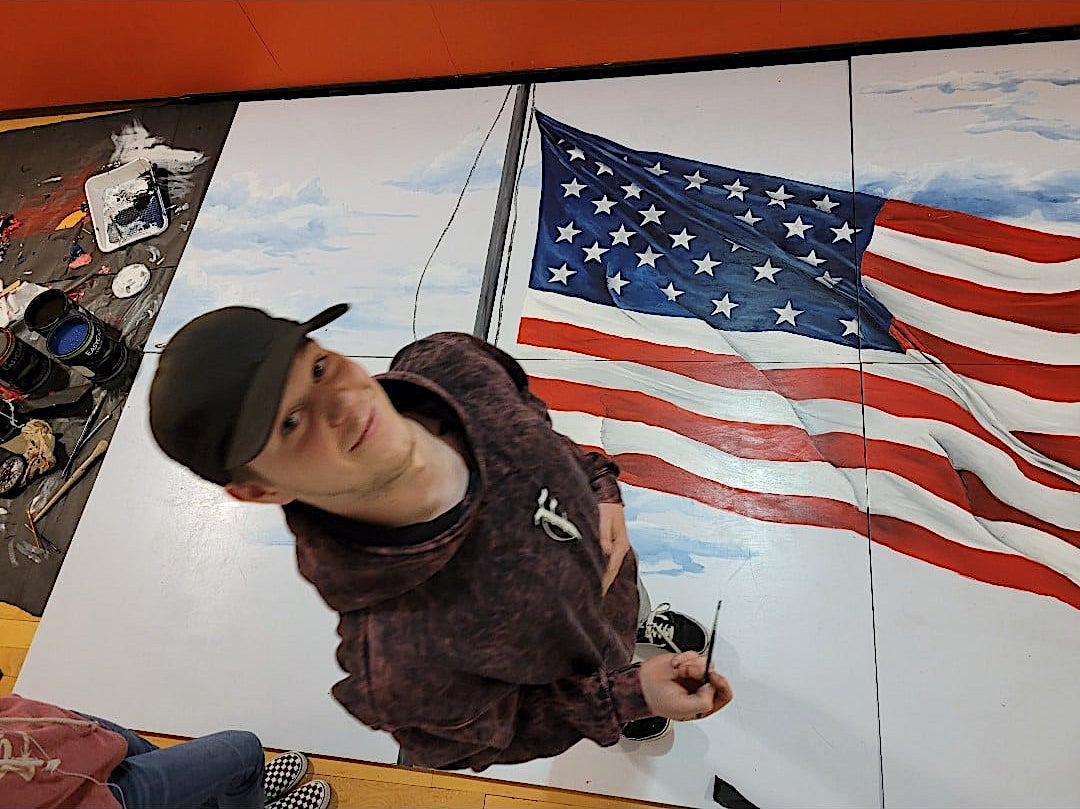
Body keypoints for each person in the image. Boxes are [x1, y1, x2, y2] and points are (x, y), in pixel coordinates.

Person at [148, 303, 733, 770]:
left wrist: (599, 487)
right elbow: (491, 738)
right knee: (613, 668)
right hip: (577, 671)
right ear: (258, 490)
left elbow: (533, 419)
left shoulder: (452, 366)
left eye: (320, 369)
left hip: (609, 574)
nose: (344, 404)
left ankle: (637, 627)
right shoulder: (402, 658)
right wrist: (629, 695)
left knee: (624, 609)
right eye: (292, 423)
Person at [0, 693, 331, 808]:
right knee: (244, 753)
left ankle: (234, 799)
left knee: (146, 755)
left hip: (36, 727)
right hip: (76, 798)